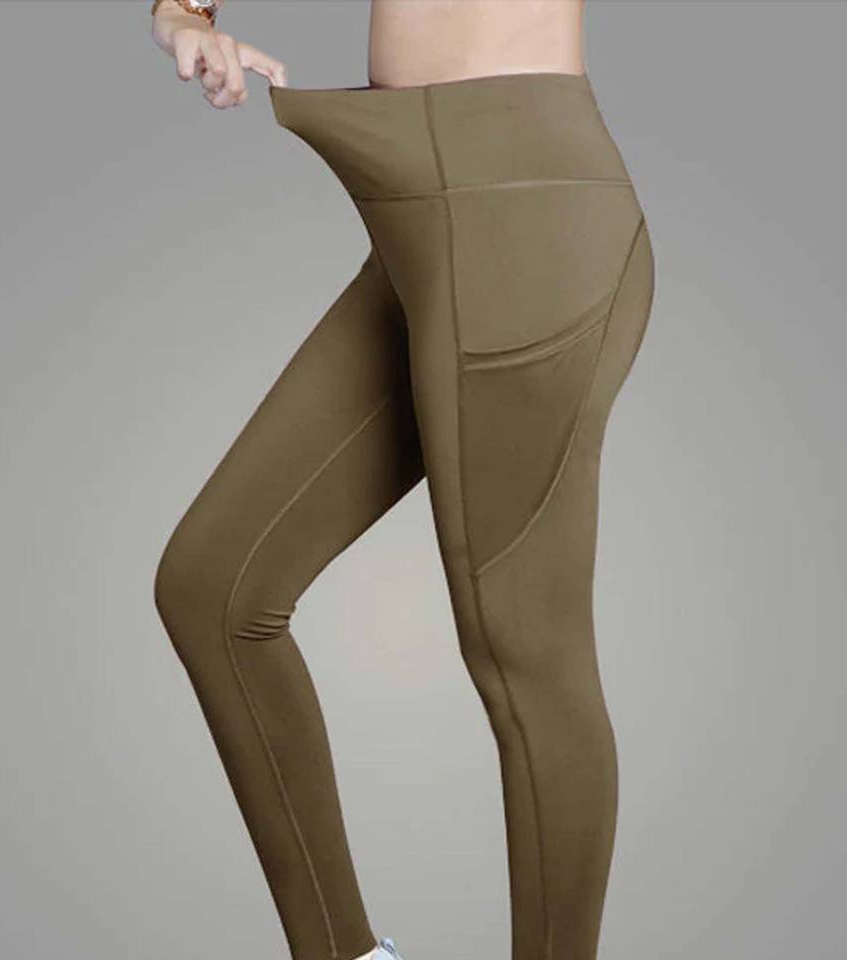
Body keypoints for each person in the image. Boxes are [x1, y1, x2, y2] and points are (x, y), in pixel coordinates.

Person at [149, 2, 655, 959]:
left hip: (517, 208)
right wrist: (183, 17)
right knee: (213, 587)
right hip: (420, 223)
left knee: (521, 649)